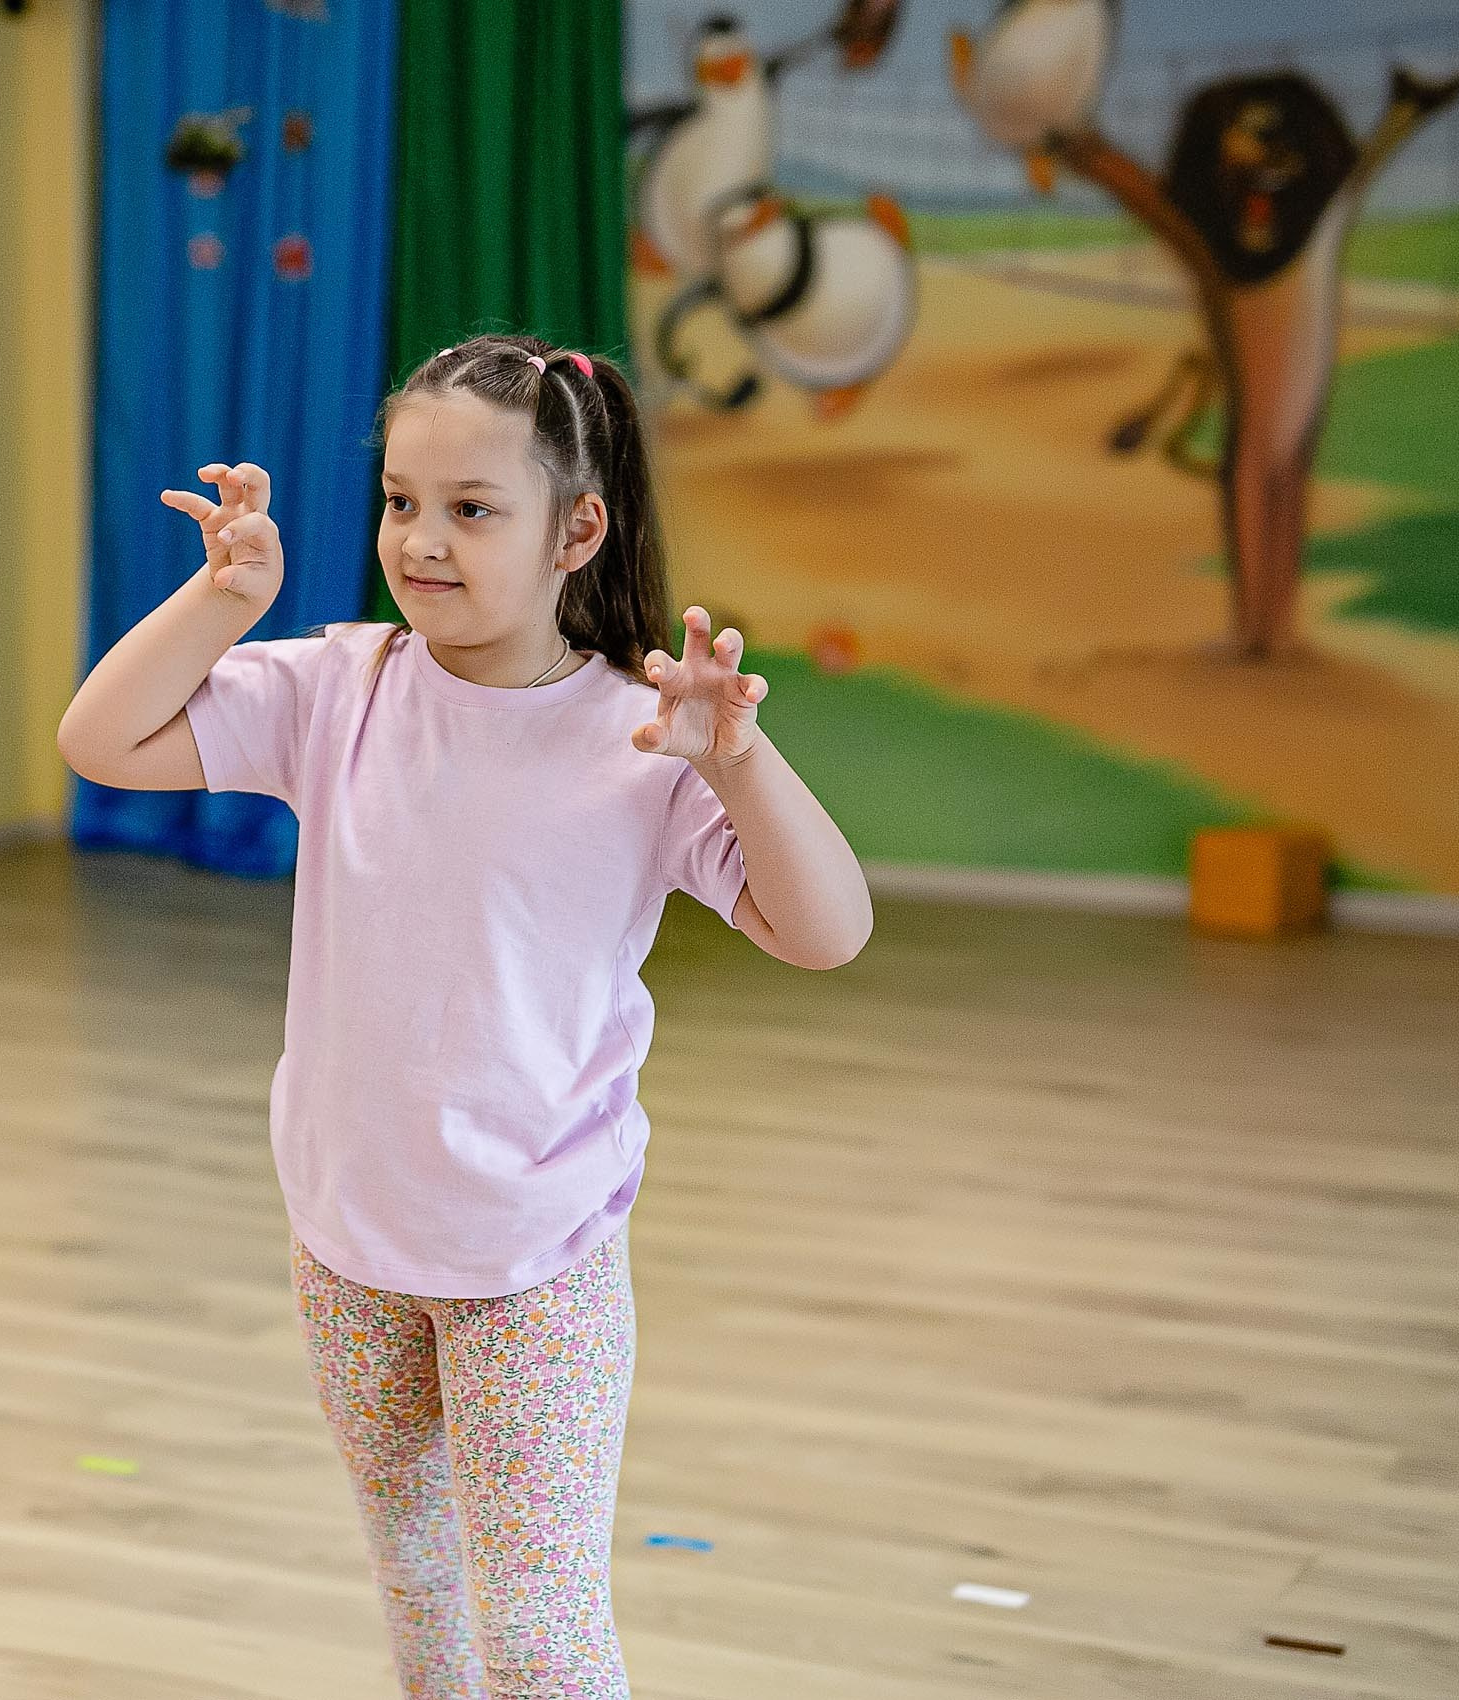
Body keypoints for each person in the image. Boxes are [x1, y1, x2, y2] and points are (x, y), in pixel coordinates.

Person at [57, 333, 872, 1695]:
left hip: (535, 1263)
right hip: (348, 1243)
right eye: (399, 502)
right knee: (417, 1583)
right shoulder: (340, 687)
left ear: (578, 529)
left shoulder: (644, 735)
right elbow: (100, 741)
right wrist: (220, 600)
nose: (421, 542)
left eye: (470, 509)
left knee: (542, 1640)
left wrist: (736, 755)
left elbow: (825, 930)